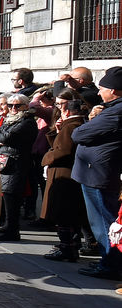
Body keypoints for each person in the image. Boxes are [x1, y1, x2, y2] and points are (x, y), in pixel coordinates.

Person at [72, 66, 122, 280]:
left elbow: (79, 134)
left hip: (99, 174)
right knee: (99, 221)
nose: (99, 92)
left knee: (103, 222)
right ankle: (108, 261)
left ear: (115, 90)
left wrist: (86, 125)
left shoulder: (116, 112)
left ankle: (110, 264)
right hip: (95, 172)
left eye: (103, 88)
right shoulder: (111, 108)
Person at [0, 93, 38, 242]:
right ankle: (6, 227)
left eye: (17, 106)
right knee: (5, 196)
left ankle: (12, 229)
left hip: (16, 164)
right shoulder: (10, 119)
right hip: (4, 162)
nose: (13, 108)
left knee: (11, 197)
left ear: (26, 106)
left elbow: (6, 137)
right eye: (10, 105)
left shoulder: (27, 121)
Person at [42, 96, 88, 262]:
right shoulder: (69, 125)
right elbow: (58, 144)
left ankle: (67, 248)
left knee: (63, 213)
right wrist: (57, 130)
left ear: (67, 110)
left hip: (63, 173)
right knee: (66, 213)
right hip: (65, 172)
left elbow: (63, 150)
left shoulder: (72, 126)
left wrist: (46, 159)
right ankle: (69, 246)